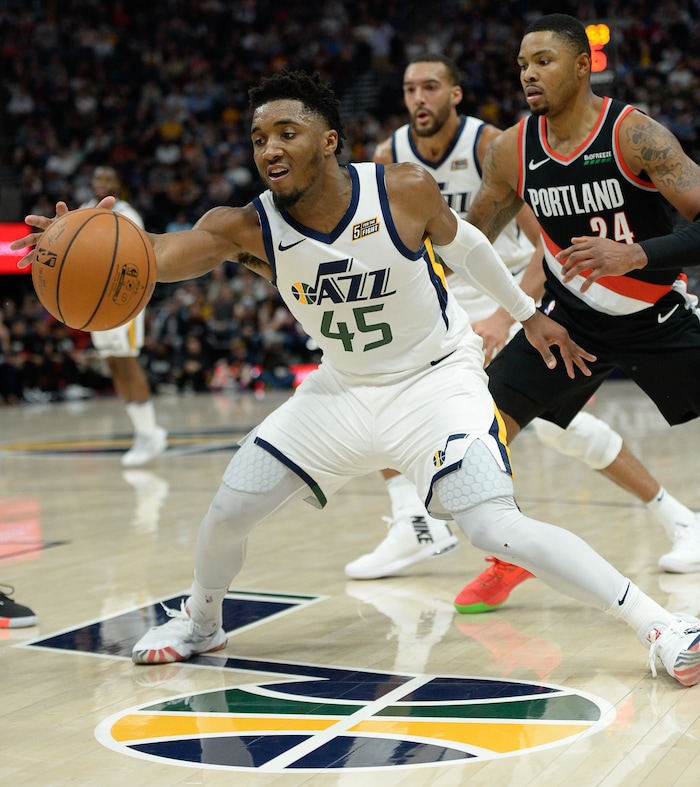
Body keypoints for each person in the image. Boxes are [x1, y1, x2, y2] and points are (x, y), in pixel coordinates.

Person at [13, 70, 700, 686]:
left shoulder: (400, 189)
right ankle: (201, 621)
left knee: (495, 526)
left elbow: (467, 246)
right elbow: (156, 256)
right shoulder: (246, 226)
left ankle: (660, 625)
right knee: (229, 509)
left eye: (288, 132)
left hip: (436, 383)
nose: (270, 148)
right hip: (341, 390)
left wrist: (527, 315)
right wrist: (74, 242)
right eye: (259, 138)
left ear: (329, 141)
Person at [345, 54, 700, 589]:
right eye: (410, 88)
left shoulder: (495, 144)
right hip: (461, 303)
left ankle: (674, 517)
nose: (419, 97)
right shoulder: (389, 156)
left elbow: (543, 247)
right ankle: (425, 525)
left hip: (519, 292)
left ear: (455, 93)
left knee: (560, 430)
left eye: (430, 86)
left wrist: (506, 313)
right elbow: (421, 247)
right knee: (409, 403)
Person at [455, 13, 700, 615]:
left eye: (543, 61)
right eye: (522, 64)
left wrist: (636, 253)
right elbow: (466, 240)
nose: (528, 74)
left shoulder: (635, 135)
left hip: (655, 312)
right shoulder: (512, 149)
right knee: (480, 438)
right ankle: (511, 553)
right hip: (568, 325)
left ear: (583, 65)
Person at [80, 165, 168, 467]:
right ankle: (143, 431)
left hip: (121, 299)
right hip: (95, 301)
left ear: (118, 184)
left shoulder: (128, 215)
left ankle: (150, 433)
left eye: (108, 178)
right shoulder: (84, 210)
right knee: (114, 364)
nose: (102, 182)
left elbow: (138, 258)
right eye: (98, 178)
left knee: (128, 363)